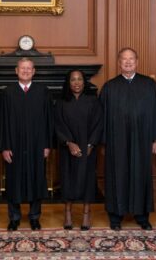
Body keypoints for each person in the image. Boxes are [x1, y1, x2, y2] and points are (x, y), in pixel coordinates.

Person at [100, 47, 156, 230]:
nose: (128, 62)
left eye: (131, 59)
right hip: (117, 141)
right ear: (119, 62)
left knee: (140, 174)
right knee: (117, 174)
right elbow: (102, 117)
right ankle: (116, 216)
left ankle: (142, 216)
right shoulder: (110, 87)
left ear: (137, 62)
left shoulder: (149, 85)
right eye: (124, 59)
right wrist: (104, 142)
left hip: (142, 139)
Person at [0, 57, 53, 231]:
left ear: (34, 71)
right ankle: (14, 217)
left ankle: (34, 217)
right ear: (16, 71)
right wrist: (4, 147)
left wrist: (47, 144)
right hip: (14, 145)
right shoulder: (7, 93)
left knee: (36, 179)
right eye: (22, 68)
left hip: (37, 145)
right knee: (14, 181)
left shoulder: (43, 92)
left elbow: (49, 120)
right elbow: (1, 122)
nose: (25, 71)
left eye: (29, 68)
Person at [55, 69, 102, 230]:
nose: (76, 82)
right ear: (68, 83)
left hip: (88, 148)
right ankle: (67, 213)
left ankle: (86, 214)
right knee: (67, 180)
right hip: (67, 148)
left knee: (87, 180)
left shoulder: (93, 101)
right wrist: (69, 143)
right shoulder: (61, 102)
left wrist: (90, 144)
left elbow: (99, 124)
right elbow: (57, 124)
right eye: (73, 79)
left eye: (79, 79)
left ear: (84, 82)